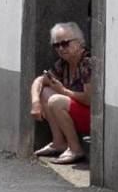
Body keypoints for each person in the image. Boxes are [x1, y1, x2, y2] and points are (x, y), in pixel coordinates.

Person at [30, 22, 94, 166]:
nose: (60, 48)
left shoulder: (87, 63)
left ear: (79, 42)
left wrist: (63, 91)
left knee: (56, 100)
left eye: (65, 43)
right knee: (45, 91)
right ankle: (59, 142)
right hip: (77, 113)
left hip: (92, 117)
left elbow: (90, 100)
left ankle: (75, 148)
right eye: (56, 45)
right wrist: (35, 103)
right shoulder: (63, 64)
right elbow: (40, 81)